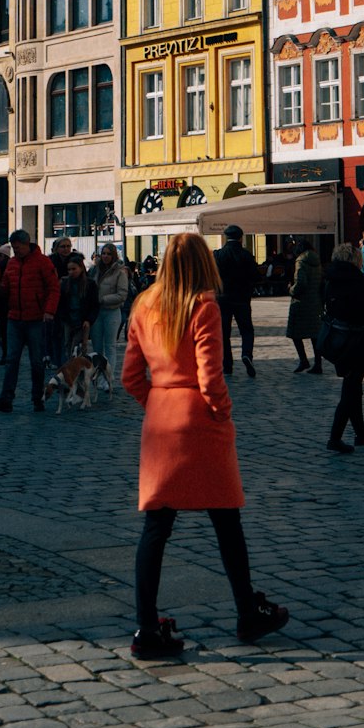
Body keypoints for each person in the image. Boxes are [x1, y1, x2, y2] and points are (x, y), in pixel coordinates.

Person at [122, 231, 289, 657]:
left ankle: (146, 626)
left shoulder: (143, 304)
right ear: (202, 263)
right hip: (199, 419)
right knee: (227, 523)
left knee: (156, 527)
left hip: (161, 420)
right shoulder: (203, 306)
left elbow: (130, 377)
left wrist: (158, 401)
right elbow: (210, 376)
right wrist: (222, 412)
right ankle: (247, 610)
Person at [0, 230, 60, 414]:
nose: (15, 251)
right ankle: (6, 399)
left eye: (17, 248)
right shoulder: (12, 264)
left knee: (36, 361)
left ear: (27, 244)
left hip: (35, 319)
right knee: (11, 360)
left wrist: (49, 311)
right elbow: (7, 290)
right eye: (13, 248)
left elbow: (53, 288)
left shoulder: (43, 262)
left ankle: (38, 398)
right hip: (15, 318)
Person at [322, 242, 364, 453]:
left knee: (353, 386)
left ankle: (361, 433)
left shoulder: (330, 279)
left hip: (337, 339)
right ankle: (334, 437)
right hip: (355, 340)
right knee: (351, 389)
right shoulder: (354, 281)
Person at [213, 225, 260, 377]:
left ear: (226, 237)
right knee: (246, 329)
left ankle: (227, 364)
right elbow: (256, 276)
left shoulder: (218, 255)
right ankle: (247, 354)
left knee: (223, 331)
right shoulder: (246, 255)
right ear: (241, 238)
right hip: (242, 298)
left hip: (223, 298)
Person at [90, 242, 128, 378]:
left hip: (111, 311)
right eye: (103, 253)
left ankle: (108, 377)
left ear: (113, 255)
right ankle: (98, 375)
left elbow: (122, 294)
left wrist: (104, 299)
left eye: (108, 254)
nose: (105, 256)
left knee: (110, 346)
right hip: (96, 312)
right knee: (97, 347)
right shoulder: (95, 270)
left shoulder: (119, 271)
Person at [285, 239, 323, 374]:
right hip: (315, 302)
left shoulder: (300, 261)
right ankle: (318, 364)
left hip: (301, 303)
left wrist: (291, 289)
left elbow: (301, 283)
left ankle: (303, 360)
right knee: (315, 335)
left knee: (294, 332)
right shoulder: (317, 261)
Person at [58, 251, 99, 360]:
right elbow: (61, 303)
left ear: (81, 268)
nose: (71, 272)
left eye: (74, 269)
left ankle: (78, 368)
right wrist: (63, 317)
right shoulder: (65, 283)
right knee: (68, 346)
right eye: (69, 270)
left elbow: (94, 304)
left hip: (82, 320)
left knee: (78, 346)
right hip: (69, 319)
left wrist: (89, 320)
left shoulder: (90, 284)